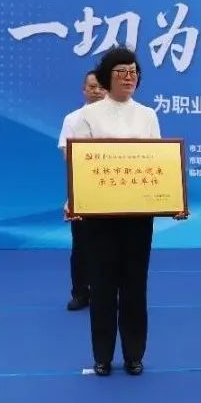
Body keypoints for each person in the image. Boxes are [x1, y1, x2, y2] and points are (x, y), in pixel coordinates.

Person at [68, 46, 185, 376]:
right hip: (100, 218)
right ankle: (102, 356)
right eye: (121, 71)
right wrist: (75, 200)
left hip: (138, 217)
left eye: (133, 72)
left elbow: (158, 164)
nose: (129, 77)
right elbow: (81, 167)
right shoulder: (87, 116)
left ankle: (134, 354)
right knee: (102, 286)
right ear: (107, 76)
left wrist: (172, 201)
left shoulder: (147, 115)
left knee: (135, 285)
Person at [58, 69, 106, 311]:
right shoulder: (73, 119)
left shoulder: (117, 119)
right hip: (84, 193)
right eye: (92, 87)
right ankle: (80, 293)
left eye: (101, 87)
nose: (97, 91)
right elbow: (68, 155)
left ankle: (106, 293)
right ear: (84, 90)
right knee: (81, 246)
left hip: (115, 192)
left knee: (110, 248)